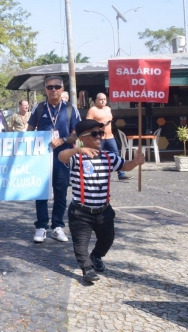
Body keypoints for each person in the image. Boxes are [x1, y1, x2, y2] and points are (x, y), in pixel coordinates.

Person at [58, 119, 144, 282]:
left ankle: (96, 256)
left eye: (101, 133)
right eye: (95, 133)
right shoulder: (77, 158)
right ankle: (87, 269)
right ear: (82, 138)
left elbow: (125, 166)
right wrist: (78, 151)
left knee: (107, 239)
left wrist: (135, 162)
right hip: (81, 212)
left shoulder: (109, 157)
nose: (100, 136)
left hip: (104, 211)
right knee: (80, 244)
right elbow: (62, 156)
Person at [27, 76, 81, 243]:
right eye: (50, 87)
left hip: (62, 156)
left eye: (57, 87)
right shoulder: (40, 107)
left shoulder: (70, 109)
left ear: (62, 89)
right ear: (45, 90)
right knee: (41, 191)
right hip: (42, 157)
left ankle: (57, 226)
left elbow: (77, 133)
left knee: (61, 191)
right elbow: (29, 131)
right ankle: (41, 226)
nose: (54, 90)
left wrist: (63, 140)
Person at [86, 93, 131, 181]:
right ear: (96, 100)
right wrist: (99, 125)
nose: (103, 101)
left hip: (110, 136)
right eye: (101, 99)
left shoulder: (108, 109)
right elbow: (88, 124)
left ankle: (121, 174)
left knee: (116, 155)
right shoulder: (93, 110)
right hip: (99, 137)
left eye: (104, 99)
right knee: (96, 156)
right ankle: (92, 175)